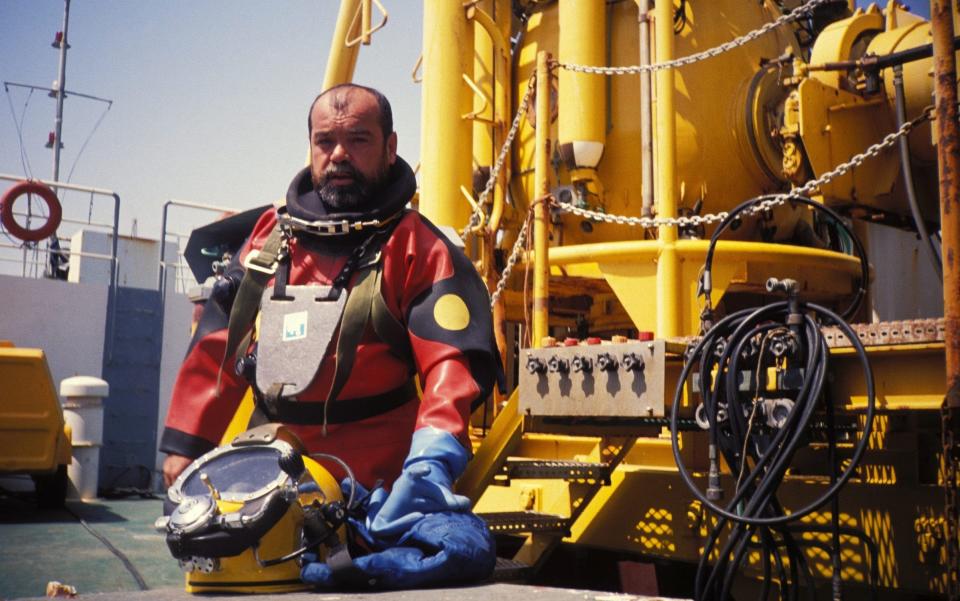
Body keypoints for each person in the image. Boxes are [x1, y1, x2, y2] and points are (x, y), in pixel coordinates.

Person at [159, 83, 498, 588]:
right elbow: (218, 346)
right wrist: (186, 446)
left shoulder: (415, 247)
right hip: (267, 482)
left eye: (359, 140)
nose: (339, 155)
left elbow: (450, 366)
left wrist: (428, 466)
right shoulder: (270, 241)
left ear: (390, 147)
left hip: (377, 494)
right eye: (325, 142)